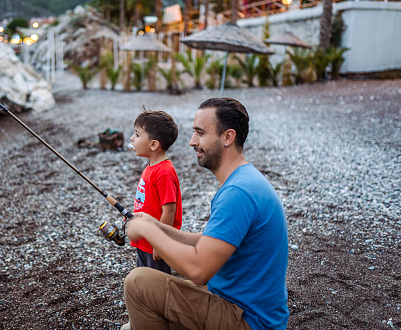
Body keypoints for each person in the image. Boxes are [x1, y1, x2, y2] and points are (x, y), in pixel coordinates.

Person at [123, 98, 289, 330]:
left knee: (137, 283)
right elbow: (210, 243)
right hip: (241, 302)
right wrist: (159, 226)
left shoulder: (238, 193)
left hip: (248, 319)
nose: (192, 142)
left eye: (200, 133)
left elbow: (199, 270)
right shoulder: (244, 180)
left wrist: (149, 231)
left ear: (227, 137)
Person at [128, 109, 183, 274]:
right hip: (145, 240)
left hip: (155, 242)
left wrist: (160, 242)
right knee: (144, 278)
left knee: (158, 282)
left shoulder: (164, 172)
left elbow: (169, 210)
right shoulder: (150, 166)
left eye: (137, 135)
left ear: (153, 144)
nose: (132, 138)